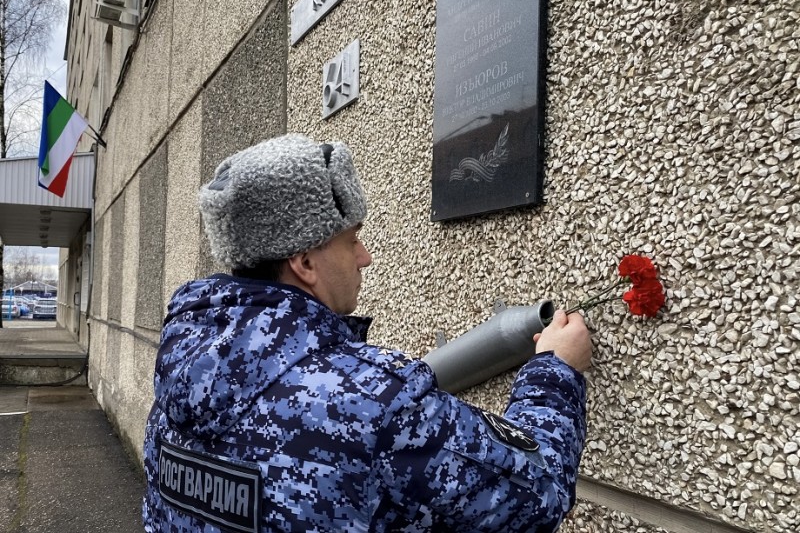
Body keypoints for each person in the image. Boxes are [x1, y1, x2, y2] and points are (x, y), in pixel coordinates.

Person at [142, 133, 592, 532]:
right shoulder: (371, 401)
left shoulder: (177, 385)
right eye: (352, 238)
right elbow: (538, 495)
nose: (366, 257)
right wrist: (555, 371)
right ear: (305, 263)